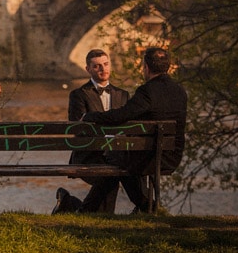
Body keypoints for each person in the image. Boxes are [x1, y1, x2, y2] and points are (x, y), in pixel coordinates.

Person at [55, 46, 187, 214]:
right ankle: (147, 207)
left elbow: (121, 115)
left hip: (148, 156)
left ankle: (82, 209)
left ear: (146, 67)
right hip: (171, 156)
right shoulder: (180, 91)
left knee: (114, 161)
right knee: (119, 162)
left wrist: (90, 116)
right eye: (97, 65)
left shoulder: (146, 91)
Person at [55, 49, 129, 214]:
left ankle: (74, 206)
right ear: (88, 69)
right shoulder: (78, 95)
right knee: (111, 174)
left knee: (112, 172)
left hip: (115, 154)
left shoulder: (123, 95)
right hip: (89, 154)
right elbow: (78, 129)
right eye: (97, 66)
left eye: (105, 64)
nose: (103, 69)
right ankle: (96, 214)